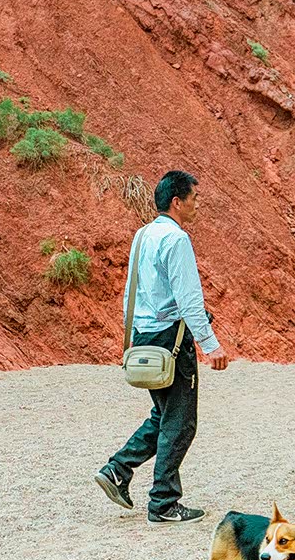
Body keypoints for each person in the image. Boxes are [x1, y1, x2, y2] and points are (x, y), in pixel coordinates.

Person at [94, 170, 232, 524]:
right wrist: (210, 345)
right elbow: (189, 299)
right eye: (194, 198)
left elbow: (131, 291)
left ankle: (117, 470)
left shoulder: (142, 235)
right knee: (181, 422)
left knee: (164, 415)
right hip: (171, 340)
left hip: (145, 336)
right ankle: (163, 503)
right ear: (177, 201)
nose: (197, 204)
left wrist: (131, 336)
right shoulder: (177, 239)